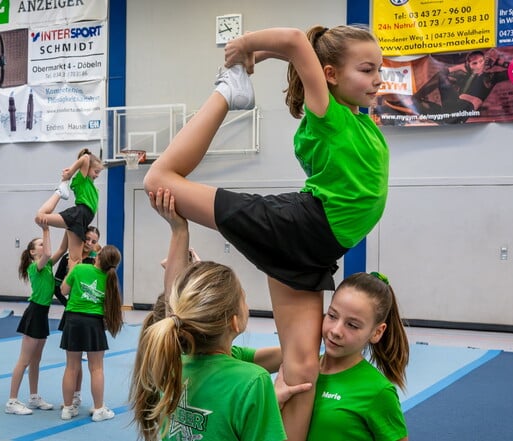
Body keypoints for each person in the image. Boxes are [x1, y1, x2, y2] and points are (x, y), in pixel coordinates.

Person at [142, 24, 388, 440]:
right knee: (159, 181)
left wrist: (272, 56)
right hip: (295, 227)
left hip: (311, 250)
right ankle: (228, 90)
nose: (378, 79)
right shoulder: (328, 114)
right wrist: (246, 48)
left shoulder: (357, 120)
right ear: (329, 75)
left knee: (304, 364)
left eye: (380, 69)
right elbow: (294, 39)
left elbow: (299, 50)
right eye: (367, 70)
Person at [131, 187, 304, 441]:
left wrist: (179, 231)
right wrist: (270, 402)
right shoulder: (253, 382)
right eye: (243, 297)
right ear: (234, 322)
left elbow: (173, 303)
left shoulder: (171, 360)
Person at [307, 271, 409, 441]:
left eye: (352, 325)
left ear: (377, 332)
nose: (335, 331)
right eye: (332, 316)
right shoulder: (304, 366)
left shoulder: (378, 392)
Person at [5, 223, 67, 415]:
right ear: (32, 252)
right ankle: (12, 401)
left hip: (42, 315)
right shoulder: (36, 267)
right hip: (34, 313)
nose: (43, 247)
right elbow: (48, 254)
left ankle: (33, 397)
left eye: (43, 243)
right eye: (39, 244)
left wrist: (69, 227)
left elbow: (62, 249)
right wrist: (46, 229)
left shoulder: (47, 265)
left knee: (36, 361)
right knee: (24, 360)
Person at [58, 244, 124, 422]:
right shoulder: (109, 279)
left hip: (73, 320)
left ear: (98, 257)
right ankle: (99, 409)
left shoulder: (79, 269)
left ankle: (67, 408)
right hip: (94, 323)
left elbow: (63, 290)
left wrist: (70, 271)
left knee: (71, 367)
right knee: (96, 368)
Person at [381, 50, 509, 124]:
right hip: (448, 113)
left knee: (441, 76)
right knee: (417, 104)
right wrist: (461, 67)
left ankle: (411, 99)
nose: (478, 65)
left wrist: (500, 62)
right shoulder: (463, 77)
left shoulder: (491, 77)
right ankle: (386, 109)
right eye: (474, 63)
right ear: (468, 65)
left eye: (481, 62)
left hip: (463, 108)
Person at [52, 225, 100, 412]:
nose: (89, 244)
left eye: (93, 241)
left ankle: (76, 398)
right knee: (73, 362)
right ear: (81, 238)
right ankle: (73, 398)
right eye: (86, 239)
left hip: (92, 316)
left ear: (97, 244)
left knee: (91, 364)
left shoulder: (98, 262)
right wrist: (69, 304)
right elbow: (58, 287)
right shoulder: (68, 259)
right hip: (72, 312)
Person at [35, 148, 104, 278]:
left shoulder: (90, 184)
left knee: (76, 260)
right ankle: (59, 191)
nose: (97, 175)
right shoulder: (82, 179)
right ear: (87, 169)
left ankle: (71, 289)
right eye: (96, 171)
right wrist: (70, 173)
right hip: (79, 214)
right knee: (40, 217)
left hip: (82, 220)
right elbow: (85, 158)